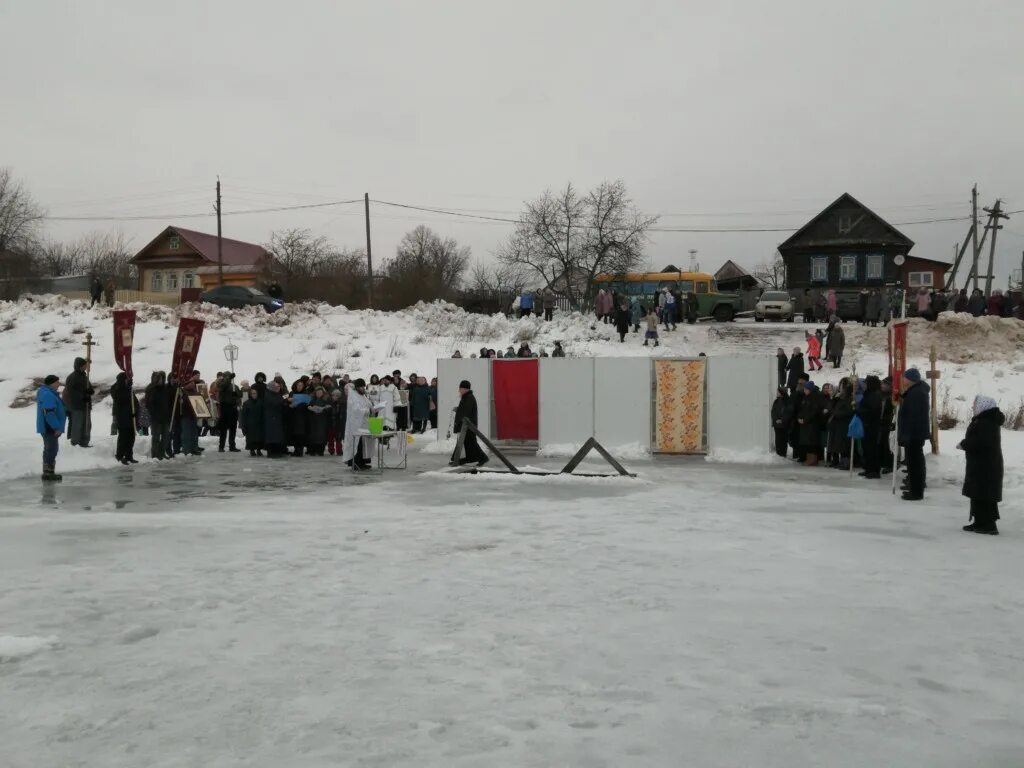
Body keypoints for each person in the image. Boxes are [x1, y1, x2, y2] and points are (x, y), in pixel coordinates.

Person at [958, 395, 1004, 535]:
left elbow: (981, 443)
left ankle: (987, 525)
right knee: (980, 493)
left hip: (986, 466)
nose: (972, 407)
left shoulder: (986, 422)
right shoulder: (984, 420)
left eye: (975, 404)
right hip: (983, 464)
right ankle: (980, 522)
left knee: (983, 494)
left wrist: (964, 444)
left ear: (983, 406)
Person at [897, 368, 930, 500]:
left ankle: (916, 491)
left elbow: (912, 416)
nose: (903, 380)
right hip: (915, 433)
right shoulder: (916, 391)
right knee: (914, 462)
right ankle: (914, 487)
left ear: (910, 379)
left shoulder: (916, 393)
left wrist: (906, 435)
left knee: (915, 463)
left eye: (905, 377)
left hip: (914, 434)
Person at [344, 378, 384, 470]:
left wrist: (375, 408)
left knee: (364, 444)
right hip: (356, 425)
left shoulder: (363, 396)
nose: (362, 388)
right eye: (361, 387)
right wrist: (369, 410)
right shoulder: (353, 397)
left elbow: (369, 405)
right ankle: (356, 464)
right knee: (358, 444)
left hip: (365, 424)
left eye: (363, 386)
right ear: (357, 387)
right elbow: (356, 410)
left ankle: (362, 463)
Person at [450, 380, 488, 467]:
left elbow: (466, 411)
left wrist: (459, 412)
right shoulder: (466, 397)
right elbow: (464, 409)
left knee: (471, 442)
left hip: (468, 425)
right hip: (466, 425)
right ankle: (461, 459)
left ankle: (483, 458)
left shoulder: (469, 397)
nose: (459, 390)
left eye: (461, 388)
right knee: (466, 442)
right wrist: (458, 409)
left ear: (465, 389)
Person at [36, 374, 66, 482]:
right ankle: (48, 473)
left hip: (48, 426)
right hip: (49, 427)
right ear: (52, 383)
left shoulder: (48, 393)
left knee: (49, 449)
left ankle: (48, 472)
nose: (59, 384)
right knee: (52, 449)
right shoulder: (48, 394)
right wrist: (56, 427)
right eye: (57, 382)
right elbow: (48, 413)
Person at [857, 375, 883, 479]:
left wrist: (859, 411)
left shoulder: (875, 394)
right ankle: (868, 468)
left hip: (872, 425)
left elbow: (872, 410)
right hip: (867, 424)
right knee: (866, 448)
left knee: (872, 448)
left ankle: (874, 470)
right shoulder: (869, 393)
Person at [110, 372, 139, 465]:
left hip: (130, 417)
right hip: (122, 417)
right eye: (127, 379)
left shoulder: (128, 389)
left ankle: (129, 455)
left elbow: (134, 401)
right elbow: (120, 399)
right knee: (123, 437)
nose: (128, 381)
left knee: (131, 437)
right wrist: (127, 387)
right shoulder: (116, 388)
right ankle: (119, 455)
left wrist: (136, 411)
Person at [64, 356, 94, 448]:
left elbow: (89, 387)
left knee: (87, 424)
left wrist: (90, 391)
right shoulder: (72, 377)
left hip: (86, 405)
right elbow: (71, 392)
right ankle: (75, 443)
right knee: (78, 424)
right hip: (77, 406)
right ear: (79, 366)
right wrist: (83, 396)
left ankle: (84, 441)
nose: (85, 367)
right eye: (84, 365)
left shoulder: (84, 376)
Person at [145, 371, 170, 459]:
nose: (161, 381)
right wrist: (154, 414)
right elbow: (148, 404)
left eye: (162, 379)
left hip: (165, 417)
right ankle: (155, 454)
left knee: (165, 437)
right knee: (156, 437)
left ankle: (162, 453)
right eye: (159, 379)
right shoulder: (151, 389)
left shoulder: (165, 389)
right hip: (156, 418)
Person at [797, 381, 823, 466]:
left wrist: (805, 420)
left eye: (806, 389)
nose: (804, 390)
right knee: (806, 442)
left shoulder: (815, 398)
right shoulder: (805, 398)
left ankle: (813, 459)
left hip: (812, 424)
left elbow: (814, 412)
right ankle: (809, 458)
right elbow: (801, 409)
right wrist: (799, 418)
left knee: (812, 443)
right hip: (805, 424)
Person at [262, 381, 288, 458]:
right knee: (272, 436)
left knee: (277, 436)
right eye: (277, 387)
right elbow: (275, 402)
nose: (279, 388)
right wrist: (284, 398)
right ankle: (272, 452)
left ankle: (277, 451)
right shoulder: (268, 395)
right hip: (271, 418)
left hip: (276, 418)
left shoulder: (275, 394)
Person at [216, 373, 241, 452]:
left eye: (229, 376)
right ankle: (221, 446)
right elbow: (221, 388)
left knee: (233, 428)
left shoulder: (234, 386)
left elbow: (240, 394)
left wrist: (236, 395)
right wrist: (228, 378)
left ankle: (232, 446)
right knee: (223, 429)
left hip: (233, 408)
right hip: (225, 408)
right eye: (227, 376)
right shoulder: (221, 385)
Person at [306, 386, 332, 456]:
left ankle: (320, 451)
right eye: (317, 392)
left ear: (323, 393)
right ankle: (312, 450)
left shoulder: (326, 400)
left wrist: (323, 409)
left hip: (322, 420)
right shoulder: (312, 400)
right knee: (313, 436)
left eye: (320, 392)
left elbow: (329, 408)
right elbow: (308, 407)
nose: (319, 394)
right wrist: (310, 408)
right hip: (313, 420)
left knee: (321, 436)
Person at [241, 388, 264, 456]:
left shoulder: (260, 402)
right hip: (250, 424)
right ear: (250, 394)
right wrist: (244, 426)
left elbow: (263, 413)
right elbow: (244, 415)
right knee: (251, 438)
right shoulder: (246, 403)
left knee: (259, 437)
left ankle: (259, 450)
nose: (254, 395)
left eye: (255, 393)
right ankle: (252, 450)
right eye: (253, 393)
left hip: (259, 423)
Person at [771, 387, 791, 458]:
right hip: (777, 425)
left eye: (778, 392)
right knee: (778, 440)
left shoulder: (788, 401)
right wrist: (776, 419)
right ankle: (778, 454)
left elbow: (788, 413)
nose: (777, 393)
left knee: (783, 440)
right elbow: (773, 411)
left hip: (784, 425)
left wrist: (782, 420)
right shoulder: (776, 401)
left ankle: (783, 454)